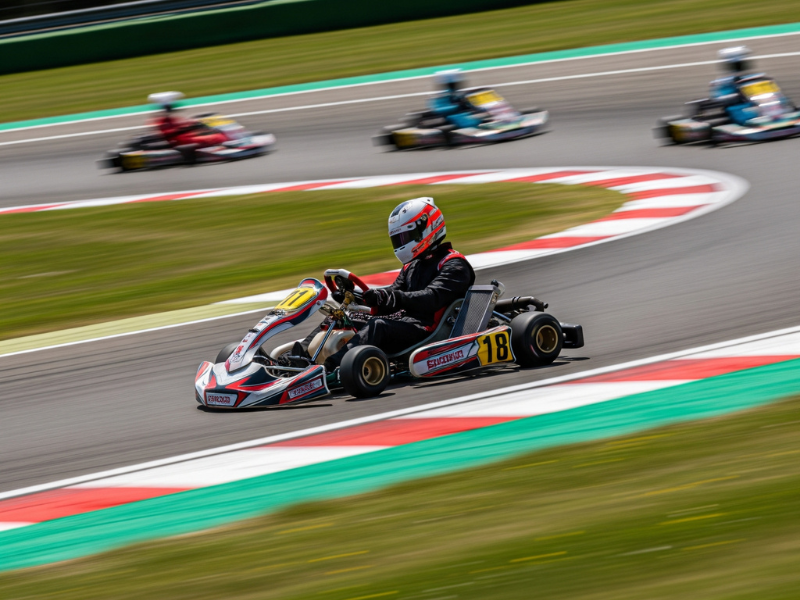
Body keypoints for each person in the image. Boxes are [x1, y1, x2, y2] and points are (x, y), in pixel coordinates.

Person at [303, 197, 475, 375]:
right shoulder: (413, 265)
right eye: (398, 239)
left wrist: (392, 298)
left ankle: (329, 368)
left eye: (406, 237)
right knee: (341, 316)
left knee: (378, 325)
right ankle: (299, 357)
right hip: (403, 322)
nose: (401, 243)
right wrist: (356, 296)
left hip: (426, 330)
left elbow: (431, 298)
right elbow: (392, 294)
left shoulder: (454, 265)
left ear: (426, 229)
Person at [147, 91, 227, 147]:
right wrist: (187, 128)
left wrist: (195, 124)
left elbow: (183, 124)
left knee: (217, 133)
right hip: (181, 141)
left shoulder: (172, 118)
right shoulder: (161, 120)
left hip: (187, 137)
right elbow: (168, 133)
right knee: (218, 137)